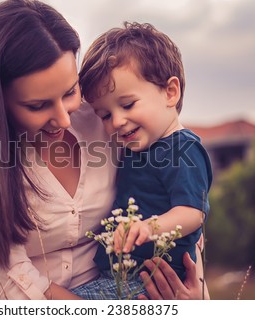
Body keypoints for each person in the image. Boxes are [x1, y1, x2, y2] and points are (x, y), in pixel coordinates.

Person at [0, 0, 208, 300]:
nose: (64, 118)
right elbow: (10, 276)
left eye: (70, 92)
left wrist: (195, 298)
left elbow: (176, 206)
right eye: (37, 105)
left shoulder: (104, 112)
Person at [70, 22, 212, 299]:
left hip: (151, 281)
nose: (117, 121)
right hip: (125, 272)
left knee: (53, 301)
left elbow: (192, 212)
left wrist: (149, 227)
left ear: (170, 92)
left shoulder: (182, 148)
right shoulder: (139, 148)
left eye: (127, 104)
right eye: (105, 115)